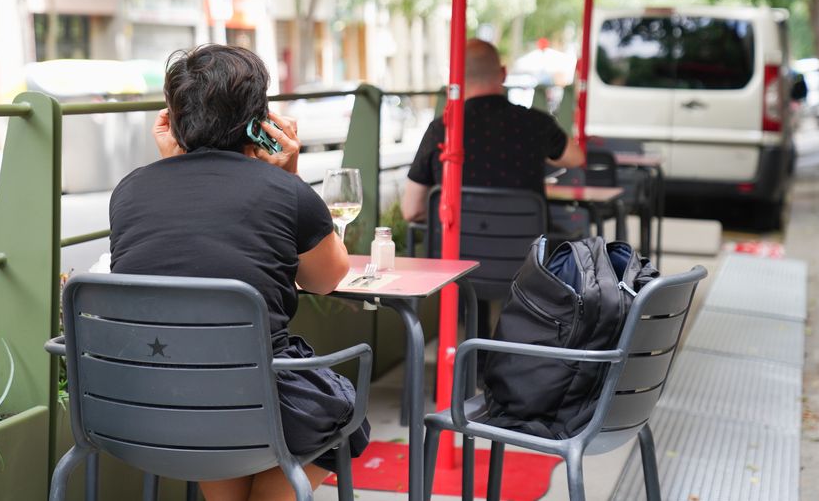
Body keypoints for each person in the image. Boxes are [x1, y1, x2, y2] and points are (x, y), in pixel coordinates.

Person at [109, 44, 369, 501]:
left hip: (144, 406)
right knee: (343, 412)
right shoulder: (284, 192)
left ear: (172, 116)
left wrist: (175, 164)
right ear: (258, 119)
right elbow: (326, 280)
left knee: (212, 394)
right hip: (250, 402)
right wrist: (289, 175)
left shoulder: (128, 193)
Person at [401, 38, 585, 223]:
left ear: (457, 79)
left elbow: (412, 210)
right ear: (503, 73)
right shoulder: (536, 123)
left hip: (457, 248)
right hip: (524, 247)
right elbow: (576, 157)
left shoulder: (442, 130)